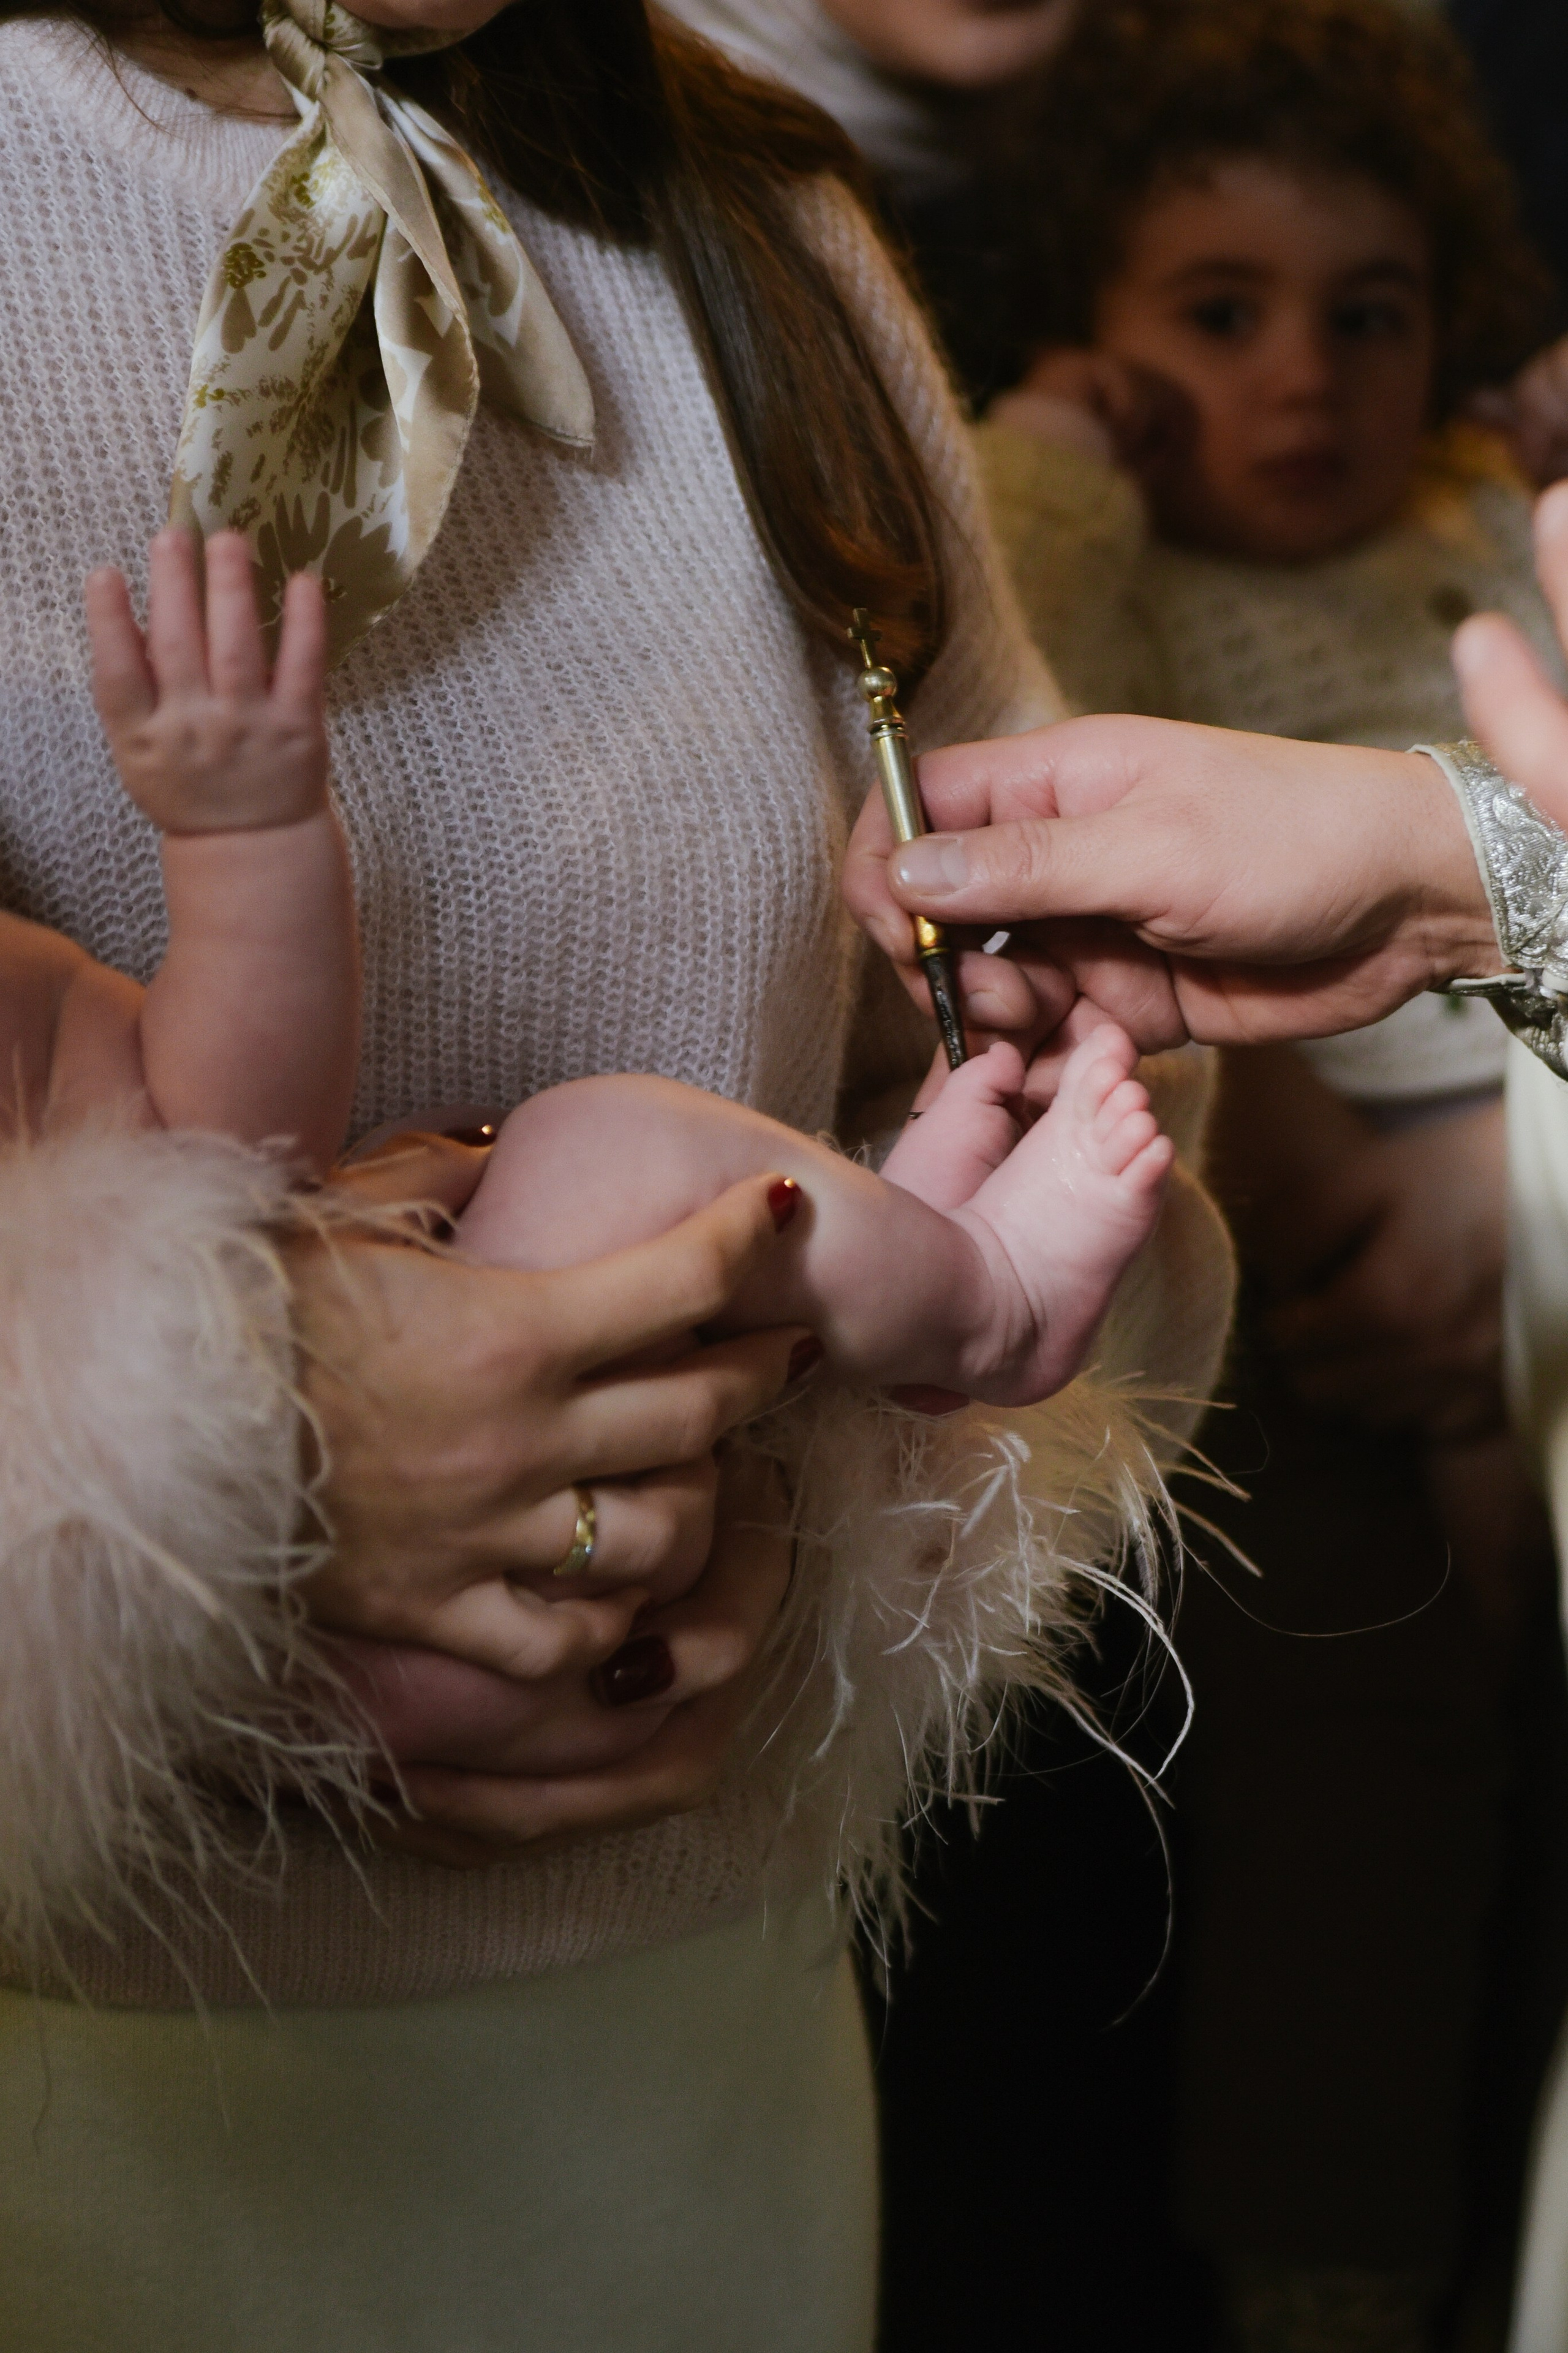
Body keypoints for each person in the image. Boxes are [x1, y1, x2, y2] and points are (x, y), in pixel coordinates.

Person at [0, 2, 1232, 2346]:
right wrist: (224, 1458)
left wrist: (835, 1476)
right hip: (82, 2061)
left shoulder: (748, 218)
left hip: (696, 2021)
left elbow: (1102, 1094)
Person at [967, 2, 1562, 2330]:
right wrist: (1045, 449)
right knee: (1364, 1791)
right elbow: (1000, 691)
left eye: (1368, 316)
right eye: (1216, 318)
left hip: (1533, 1207)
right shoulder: (1107, 548)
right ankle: (1324, 2280)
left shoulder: (1464, 521)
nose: (1305, 378)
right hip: (1294, 1286)